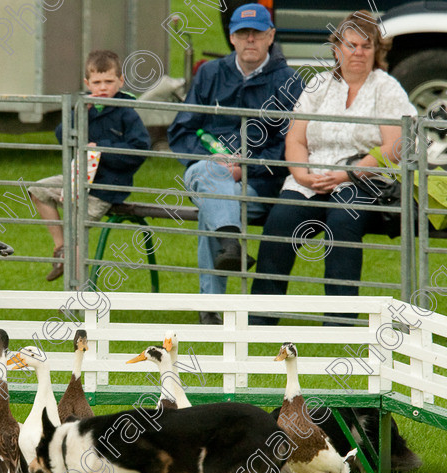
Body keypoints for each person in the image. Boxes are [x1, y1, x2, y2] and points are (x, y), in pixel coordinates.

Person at [250, 10, 416, 325]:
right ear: (337, 48)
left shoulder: (387, 87)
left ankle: (340, 323)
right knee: (281, 222)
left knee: (343, 221)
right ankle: (261, 319)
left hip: (363, 180)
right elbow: (296, 140)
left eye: (366, 46)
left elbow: (394, 146)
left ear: (376, 51)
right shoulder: (319, 84)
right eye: (351, 45)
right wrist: (302, 176)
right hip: (310, 178)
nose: (358, 52)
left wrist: (346, 174)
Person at [167, 3, 303, 324]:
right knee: (208, 174)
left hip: (259, 185)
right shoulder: (210, 73)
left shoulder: (289, 82)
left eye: (257, 33)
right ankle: (230, 241)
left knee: (211, 209)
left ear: (271, 36)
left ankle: (211, 309)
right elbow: (181, 130)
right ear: (231, 37)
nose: (250, 40)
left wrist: (247, 166)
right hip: (208, 173)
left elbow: (292, 147)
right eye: (243, 34)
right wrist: (209, 157)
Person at [29, 50, 150, 282]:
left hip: (106, 188)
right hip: (79, 179)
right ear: (87, 83)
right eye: (97, 82)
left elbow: (139, 151)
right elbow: (62, 136)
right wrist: (78, 115)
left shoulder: (127, 113)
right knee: (38, 190)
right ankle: (61, 248)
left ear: (121, 81)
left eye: (109, 81)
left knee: (75, 225)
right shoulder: (84, 108)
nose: (103, 87)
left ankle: (76, 294)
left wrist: (101, 149)